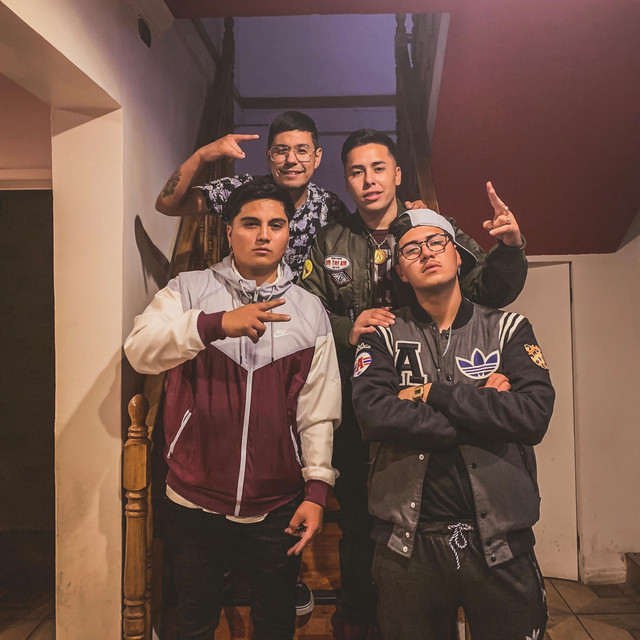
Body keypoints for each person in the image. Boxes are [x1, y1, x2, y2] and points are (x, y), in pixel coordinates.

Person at [301, 129, 529, 639]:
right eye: (357, 171)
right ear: (347, 180)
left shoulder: (432, 228)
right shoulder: (329, 240)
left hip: (439, 393)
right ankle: (362, 622)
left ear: (398, 174)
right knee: (360, 520)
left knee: (440, 515)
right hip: (365, 402)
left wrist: (510, 248)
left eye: (378, 168)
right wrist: (346, 327)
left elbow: (491, 287)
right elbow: (302, 309)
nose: (369, 180)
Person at [124, 179, 341, 640]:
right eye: (250, 223)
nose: (263, 235)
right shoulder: (188, 290)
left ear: (288, 233)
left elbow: (318, 410)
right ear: (228, 231)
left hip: (279, 500)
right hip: (193, 495)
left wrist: (317, 489)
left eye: (276, 225)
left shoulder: (310, 310)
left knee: (275, 623)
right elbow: (140, 351)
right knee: (195, 622)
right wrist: (216, 324)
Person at [350, 208, 555, 639]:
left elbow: (533, 416)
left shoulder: (509, 329)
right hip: (406, 545)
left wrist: (431, 394)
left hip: (501, 542)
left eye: (436, 242)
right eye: (411, 250)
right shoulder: (381, 334)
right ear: (400, 272)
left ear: (458, 256)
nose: (426, 253)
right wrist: (484, 410)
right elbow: (374, 414)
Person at [155, 110, 351, 281]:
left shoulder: (329, 205)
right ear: (268, 157)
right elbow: (168, 205)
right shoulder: (243, 191)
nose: (291, 160)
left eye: (302, 151)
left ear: (317, 157)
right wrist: (202, 155)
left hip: (303, 307)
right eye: (281, 151)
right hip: (242, 301)